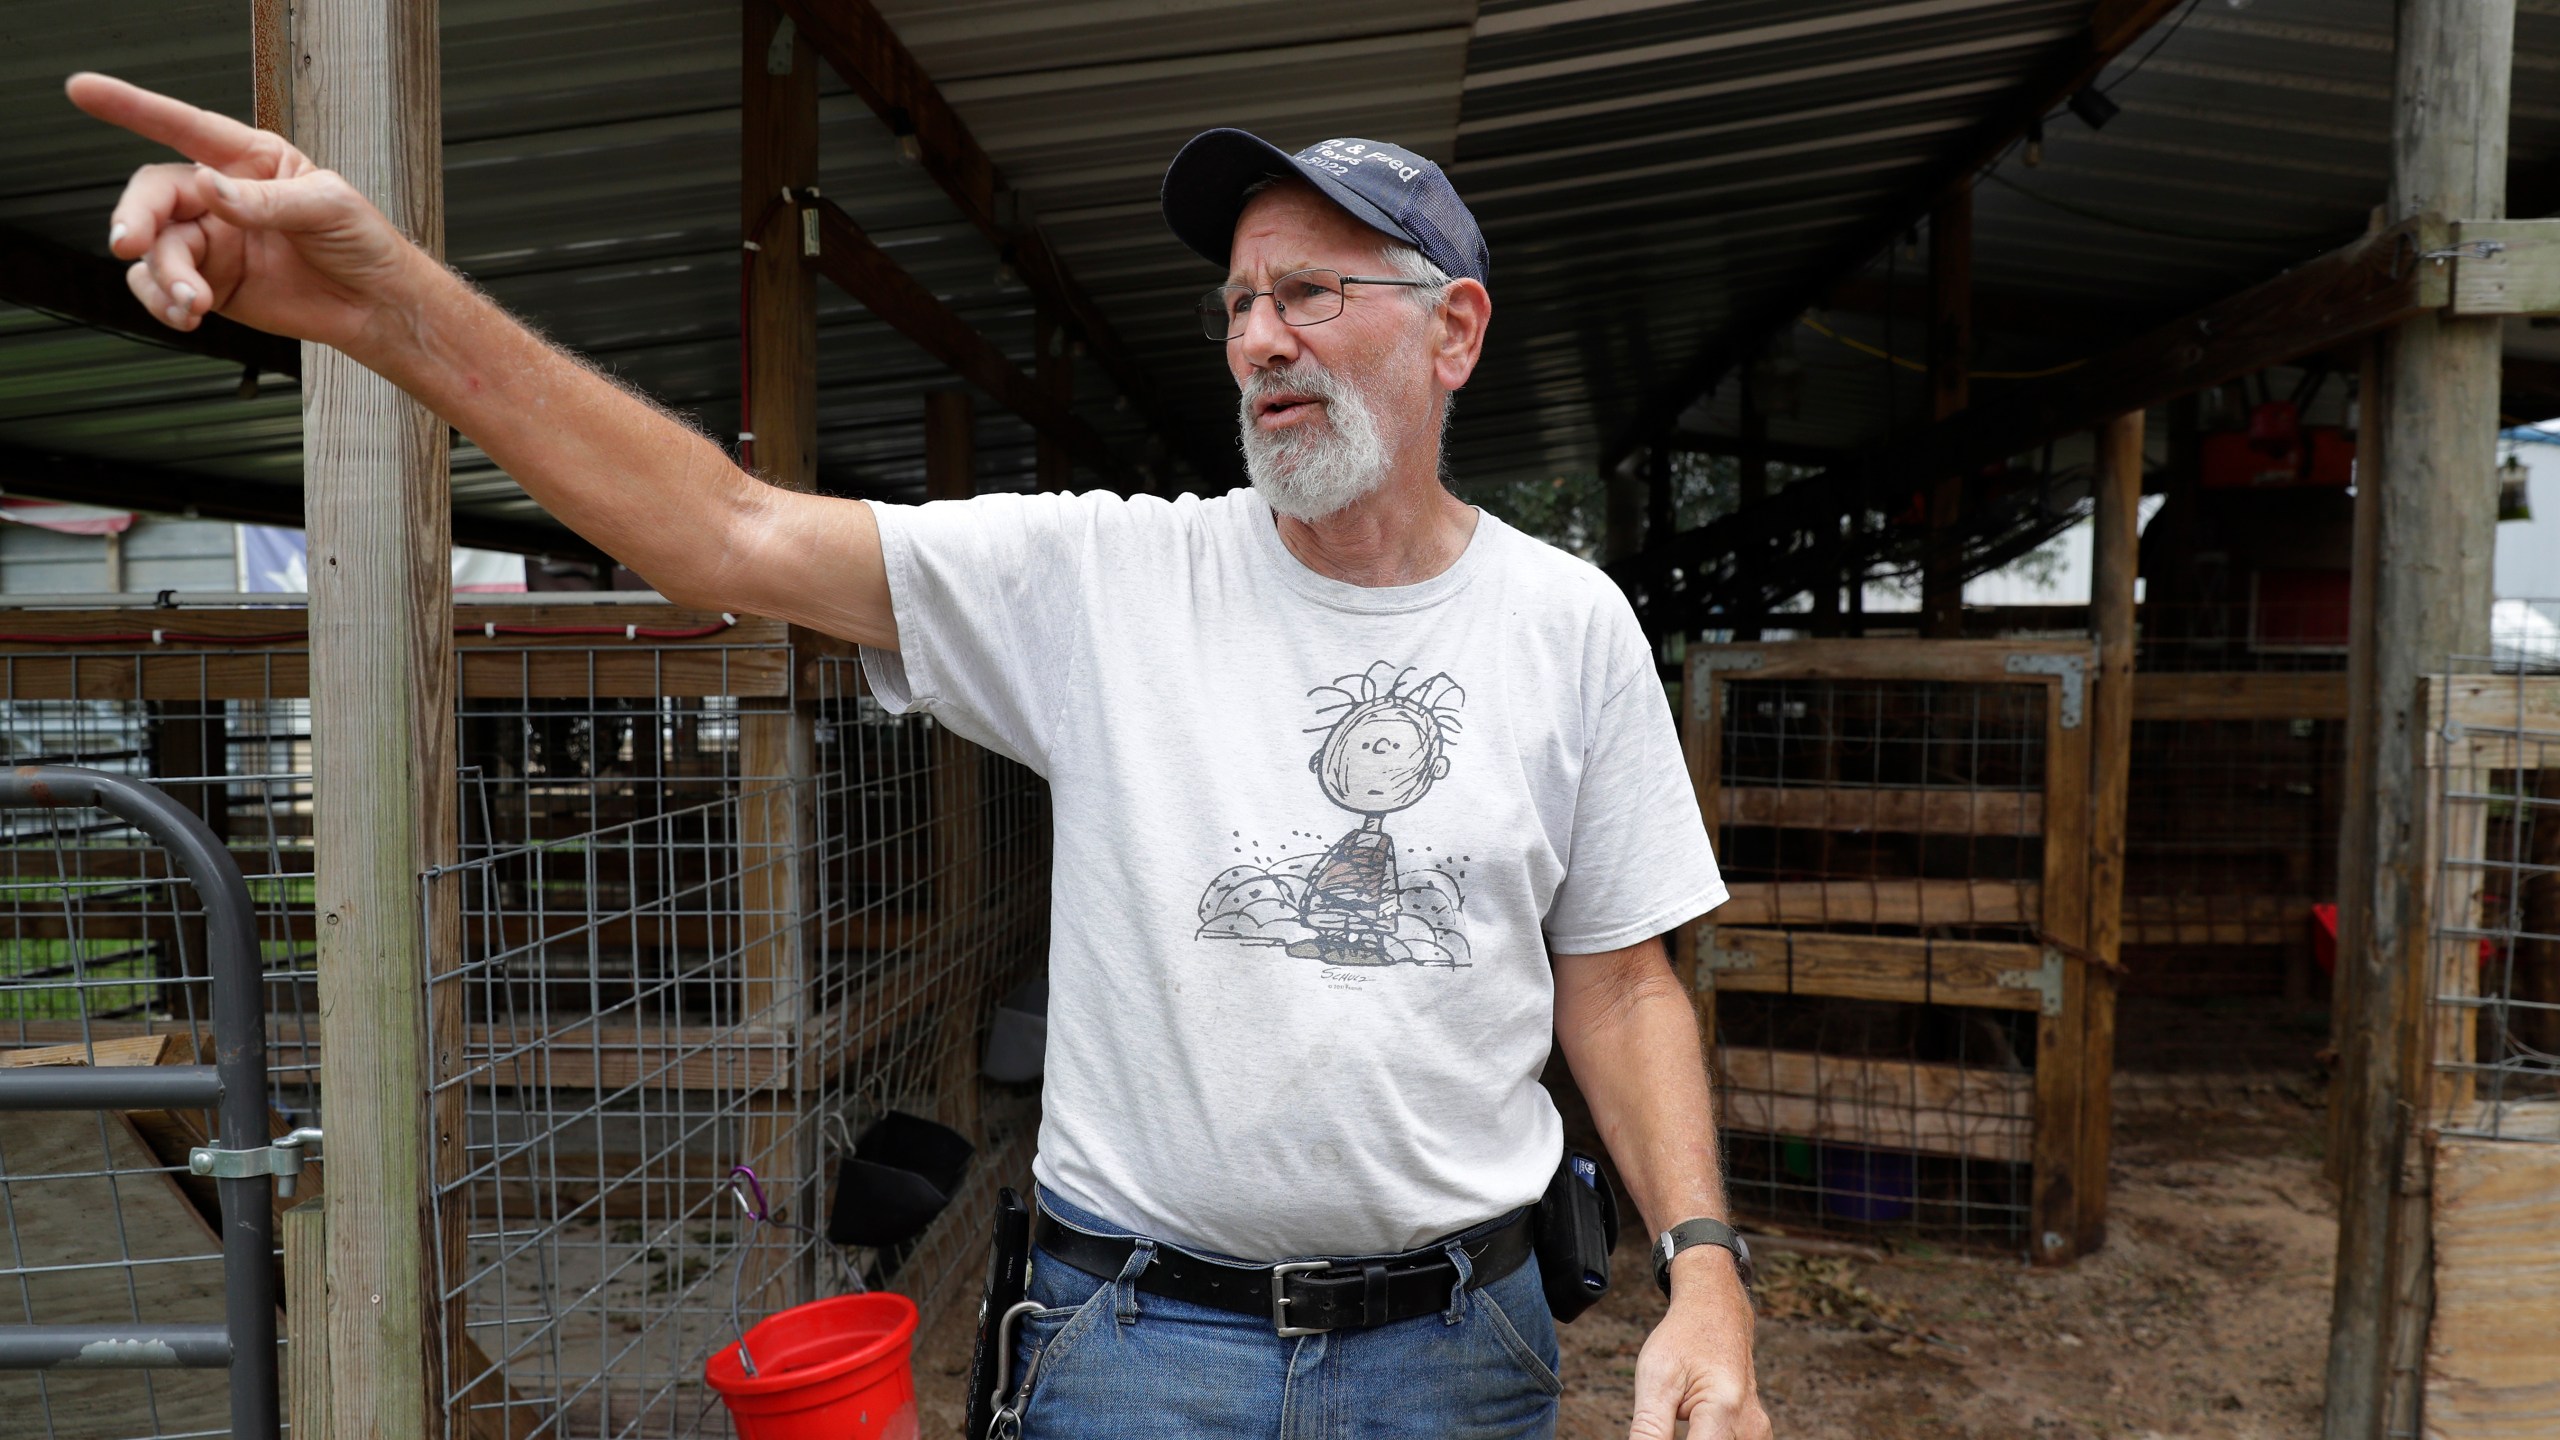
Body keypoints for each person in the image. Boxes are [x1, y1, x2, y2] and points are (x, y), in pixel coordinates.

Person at [66, 74, 1771, 1440]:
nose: (1260, 338)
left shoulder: (1566, 626)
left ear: (1454, 332)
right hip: (1133, 1348)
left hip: (1454, 1354)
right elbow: (725, 528)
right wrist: (382, 307)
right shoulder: (1106, 577)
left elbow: (1615, 983)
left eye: (1313, 292)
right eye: (1240, 301)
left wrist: (1704, 1272)